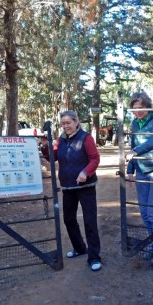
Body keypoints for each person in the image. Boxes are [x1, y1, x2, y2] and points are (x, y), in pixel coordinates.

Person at [42, 111, 102, 271]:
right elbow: (52, 157)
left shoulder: (86, 138)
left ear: (76, 122)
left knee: (90, 221)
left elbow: (95, 158)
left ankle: (94, 257)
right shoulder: (60, 140)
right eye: (63, 123)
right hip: (68, 185)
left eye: (69, 122)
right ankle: (80, 248)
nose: (66, 126)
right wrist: (45, 146)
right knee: (68, 219)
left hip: (86, 186)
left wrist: (85, 172)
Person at [125, 92, 153, 267]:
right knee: (144, 213)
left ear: (147, 106)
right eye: (135, 109)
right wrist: (130, 169)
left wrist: (136, 152)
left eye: (141, 108)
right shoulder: (135, 123)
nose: (138, 112)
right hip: (142, 170)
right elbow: (133, 145)